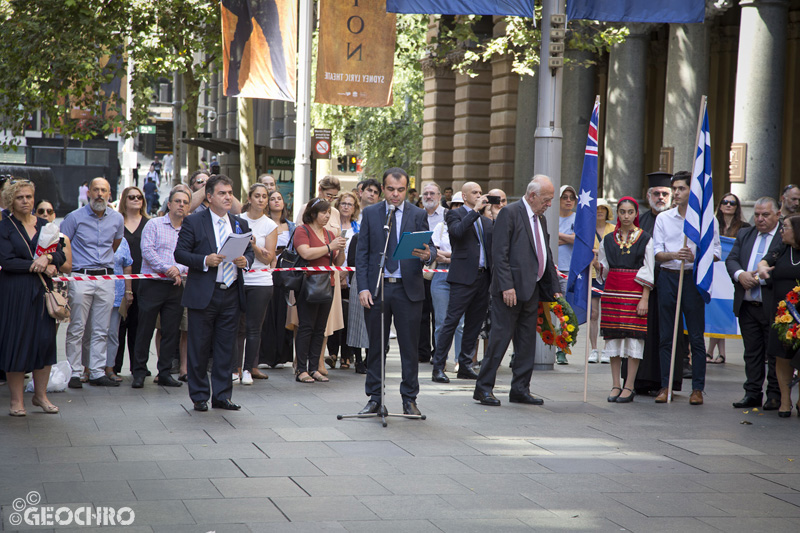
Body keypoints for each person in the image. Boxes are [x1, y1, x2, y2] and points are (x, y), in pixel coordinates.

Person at [473, 175, 560, 407]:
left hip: (531, 291)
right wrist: (507, 285)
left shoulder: (540, 220)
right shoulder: (509, 213)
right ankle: (483, 389)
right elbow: (499, 253)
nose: (549, 204)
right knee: (499, 340)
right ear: (532, 196)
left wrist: (554, 288)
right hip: (508, 292)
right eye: (547, 199)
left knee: (526, 343)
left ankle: (520, 389)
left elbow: (545, 255)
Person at [356, 167, 436, 416]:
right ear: (383, 189)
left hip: (408, 290)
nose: (396, 195)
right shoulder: (370, 213)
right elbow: (362, 254)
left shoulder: (418, 213)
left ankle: (409, 398)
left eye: (401, 190)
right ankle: (375, 398)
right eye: (391, 189)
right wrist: (364, 288)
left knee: (409, 348)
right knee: (376, 347)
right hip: (378, 289)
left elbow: (430, 247)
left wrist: (428, 255)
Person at [174, 174, 254, 411]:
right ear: (209, 197)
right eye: (222, 193)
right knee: (199, 347)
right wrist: (205, 260)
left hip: (231, 292)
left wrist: (245, 261)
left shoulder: (240, 223)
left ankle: (222, 396)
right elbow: (180, 254)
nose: (228, 197)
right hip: (204, 294)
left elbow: (249, 251)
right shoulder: (194, 222)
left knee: (225, 348)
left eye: (230, 193)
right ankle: (199, 396)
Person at [653, 170, 721, 405]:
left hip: (693, 278)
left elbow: (716, 253)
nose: (677, 193)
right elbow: (658, 253)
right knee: (666, 336)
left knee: (695, 336)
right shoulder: (663, 218)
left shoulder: (706, 219)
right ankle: (666, 385)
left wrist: (696, 256)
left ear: (693, 192)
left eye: (682, 189)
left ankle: (698, 388)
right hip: (669, 277)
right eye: (675, 189)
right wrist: (675, 254)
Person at [0, 179, 67, 416]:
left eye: (29, 196)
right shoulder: (4, 227)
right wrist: (36, 264)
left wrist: (49, 260)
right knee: (16, 342)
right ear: (11, 200)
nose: (26, 201)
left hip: (42, 291)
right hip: (15, 291)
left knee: (45, 341)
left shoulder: (45, 224)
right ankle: (16, 401)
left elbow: (60, 253)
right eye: (20, 197)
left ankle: (41, 396)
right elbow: (6, 261)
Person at [61, 178, 125, 388]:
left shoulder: (117, 219)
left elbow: (114, 245)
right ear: (88, 192)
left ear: (109, 194)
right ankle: (74, 372)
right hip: (81, 276)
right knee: (78, 327)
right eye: (96, 190)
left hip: (105, 277)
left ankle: (97, 372)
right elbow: (63, 244)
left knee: (101, 328)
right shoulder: (74, 217)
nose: (99, 194)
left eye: (103, 190)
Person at [594, 197, 655, 403]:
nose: (626, 216)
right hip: (612, 293)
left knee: (633, 339)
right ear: (617, 213)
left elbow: (648, 269)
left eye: (630, 212)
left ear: (636, 214)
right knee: (614, 338)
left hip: (635, 293)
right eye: (622, 212)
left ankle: (629, 385)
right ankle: (615, 384)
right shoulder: (609, 239)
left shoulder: (646, 238)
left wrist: (644, 298)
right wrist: (597, 266)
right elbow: (604, 267)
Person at [431, 182, 493, 383]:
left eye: (481, 193)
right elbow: (457, 234)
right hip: (463, 278)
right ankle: (439, 366)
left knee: (474, 324)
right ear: (465, 197)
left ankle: (465, 364)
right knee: (451, 322)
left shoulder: (485, 221)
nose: (479, 195)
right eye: (475, 193)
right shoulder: (454, 215)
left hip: (483, 277)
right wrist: (474, 211)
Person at [131, 187, 191, 389]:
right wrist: (168, 269)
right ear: (169, 204)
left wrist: (177, 270)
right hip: (152, 284)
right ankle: (138, 373)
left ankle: (164, 373)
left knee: (171, 332)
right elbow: (147, 251)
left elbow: (192, 255)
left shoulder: (188, 229)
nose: (181, 205)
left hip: (175, 286)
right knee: (145, 330)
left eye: (185, 202)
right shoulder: (154, 224)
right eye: (178, 201)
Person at [726, 197, 782, 410]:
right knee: (751, 352)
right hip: (748, 305)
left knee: (774, 353)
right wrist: (740, 275)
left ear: (777, 215)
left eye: (765, 215)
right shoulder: (745, 233)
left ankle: (775, 395)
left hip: (773, 305)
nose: (760, 219)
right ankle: (752, 393)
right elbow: (731, 259)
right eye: (757, 214)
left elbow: (784, 267)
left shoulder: (783, 237)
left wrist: (759, 278)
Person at [630, 171, 676, 395]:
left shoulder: (678, 220)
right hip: (642, 288)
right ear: (648, 196)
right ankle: (640, 380)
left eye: (664, 193)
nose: (660, 197)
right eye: (656, 193)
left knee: (666, 334)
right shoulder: (641, 221)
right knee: (641, 335)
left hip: (669, 285)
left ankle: (664, 382)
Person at [293, 198, 347, 383]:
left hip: (328, 284)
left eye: (329, 214)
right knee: (306, 326)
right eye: (324, 213)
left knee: (320, 329)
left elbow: (337, 262)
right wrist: (329, 247)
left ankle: (314, 367)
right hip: (308, 284)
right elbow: (305, 253)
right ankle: (301, 369)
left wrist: (341, 248)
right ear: (313, 213)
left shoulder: (330, 234)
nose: (327, 217)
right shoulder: (302, 230)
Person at [234, 183, 278, 384]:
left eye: (264, 196)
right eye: (257, 196)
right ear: (249, 198)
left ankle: (248, 370)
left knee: (253, 327)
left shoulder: (270, 225)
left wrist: (252, 244)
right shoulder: (237, 220)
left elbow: (268, 258)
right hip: (238, 278)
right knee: (236, 326)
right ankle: (234, 368)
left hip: (261, 281)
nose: (261, 199)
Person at [758, 214, 800, 417]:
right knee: (781, 357)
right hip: (781, 314)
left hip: (799, 315)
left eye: (786, 227)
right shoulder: (782, 249)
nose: (782, 231)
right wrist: (762, 269)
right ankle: (785, 401)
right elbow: (765, 261)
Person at [708, 192, 751, 364]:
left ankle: (715, 351)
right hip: (715, 272)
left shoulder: (744, 227)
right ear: (719, 205)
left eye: (732, 203)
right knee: (714, 310)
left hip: (732, 274)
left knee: (724, 310)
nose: (728, 205)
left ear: (737, 207)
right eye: (724, 202)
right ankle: (716, 351)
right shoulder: (713, 225)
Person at [114, 186, 149, 379]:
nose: (136, 200)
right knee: (119, 326)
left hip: (143, 281)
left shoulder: (149, 223)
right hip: (119, 281)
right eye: (131, 197)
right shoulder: (117, 222)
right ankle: (115, 367)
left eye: (139, 197)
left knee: (139, 326)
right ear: (124, 200)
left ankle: (138, 367)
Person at [429, 193, 465, 376]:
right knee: (441, 322)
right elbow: (435, 253)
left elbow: (467, 254)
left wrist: (450, 256)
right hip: (441, 276)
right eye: (455, 204)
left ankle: (460, 360)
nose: (458, 208)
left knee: (460, 323)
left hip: (462, 277)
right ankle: (440, 361)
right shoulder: (441, 227)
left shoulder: (470, 227)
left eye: (461, 204)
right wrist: (456, 257)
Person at [259, 190, 296, 369]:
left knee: (283, 312)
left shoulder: (292, 226)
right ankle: (264, 356)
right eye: (272, 199)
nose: (276, 202)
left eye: (279, 198)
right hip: (266, 270)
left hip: (285, 273)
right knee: (267, 314)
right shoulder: (263, 223)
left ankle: (282, 356)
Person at [327, 192, 361, 369]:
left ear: (355, 208)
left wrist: (346, 274)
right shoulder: (332, 225)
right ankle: (332, 353)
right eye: (343, 204)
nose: (346, 207)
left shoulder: (359, 227)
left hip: (351, 276)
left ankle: (347, 356)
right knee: (333, 314)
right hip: (333, 274)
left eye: (350, 204)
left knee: (349, 316)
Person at [418, 182, 447, 364]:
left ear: (439, 196)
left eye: (432, 194)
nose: (429, 197)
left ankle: (439, 352)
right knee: (421, 313)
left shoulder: (448, 216)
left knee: (439, 314)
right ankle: (422, 352)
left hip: (440, 270)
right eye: (425, 194)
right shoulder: (416, 214)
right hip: (418, 271)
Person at [587, 198, 615, 364]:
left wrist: (598, 251)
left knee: (607, 312)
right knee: (593, 313)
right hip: (592, 275)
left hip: (608, 274)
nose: (599, 211)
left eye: (602, 209)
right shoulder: (588, 229)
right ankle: (593, 349)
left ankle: (606, 348)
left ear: (607, 211)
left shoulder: (613, 228)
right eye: (596, 209)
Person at [106, 238, 133, 384]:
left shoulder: (122, 240)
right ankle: (88, 369)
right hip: (96, 290)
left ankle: (110, 368)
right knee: (92, 332)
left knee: (113, 334)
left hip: (117, 292)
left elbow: (127, 265)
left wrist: (128, 290)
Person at [557, 185, 577, 365]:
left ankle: (562, 348)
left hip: (566, 270)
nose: (568, 200)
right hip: (549, 269)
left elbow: (577, 239)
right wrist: (567, 238)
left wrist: (558, 236)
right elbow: (546, 239)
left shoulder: (576, 218)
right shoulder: (550, 216)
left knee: (565, 312)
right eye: (565, 197)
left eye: (571, 197)